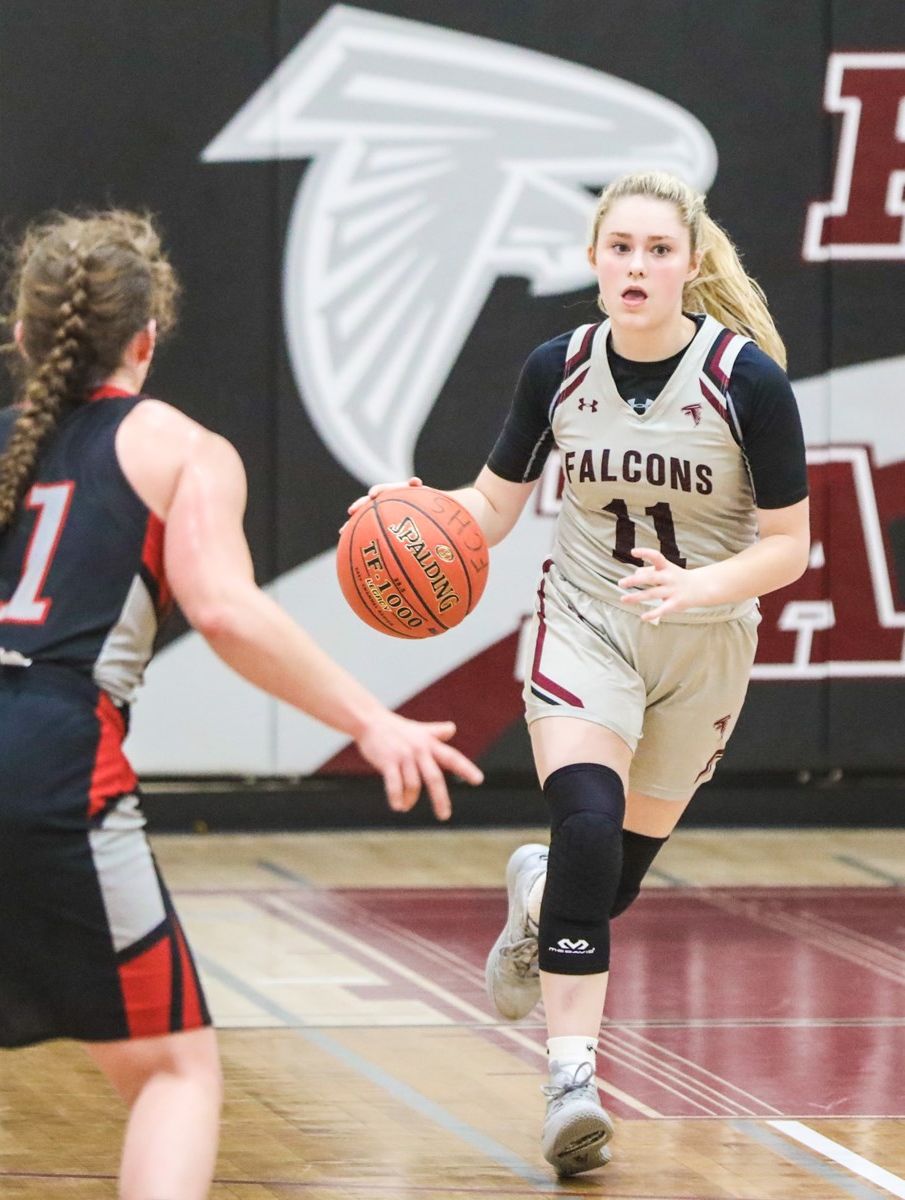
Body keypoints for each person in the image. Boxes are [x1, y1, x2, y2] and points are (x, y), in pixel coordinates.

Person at [0, 208, 483, 1200]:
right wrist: (369, 718)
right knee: (175, 1073)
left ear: (22, 336)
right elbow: (221, 610)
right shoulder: (180, 448)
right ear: (144, 339)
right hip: (38, 744)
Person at [349, 171, 809, 1177]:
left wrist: (699, 586)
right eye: (619, 249)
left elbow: (788, 546)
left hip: (703, 641)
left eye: (655, 250)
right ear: (593, 261)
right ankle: (570, 1082)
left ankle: (539, 895)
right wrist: (408, 511)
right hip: (587, 626)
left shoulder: (745, 381)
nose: (636, 267)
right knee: (587, 824)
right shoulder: (555, 367)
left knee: (608, 882)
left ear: (689, 264)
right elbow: (492, 506)